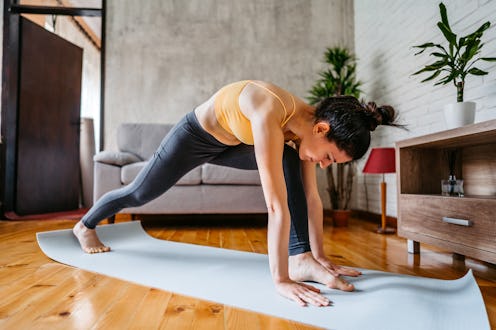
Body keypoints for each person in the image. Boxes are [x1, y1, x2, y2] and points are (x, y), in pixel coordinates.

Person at [73, 80, 399, 307]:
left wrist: (321, 256)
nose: (325, 165)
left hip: (231, 145)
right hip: (194, 137)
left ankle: (303, 259)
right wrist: (280, 280)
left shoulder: (306, 134)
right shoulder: (271, 112)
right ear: (322, 129)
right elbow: (275, 205)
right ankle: (85, 225)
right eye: (329, 157)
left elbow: (312, 199)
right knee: (139, 193)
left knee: (290, 157)